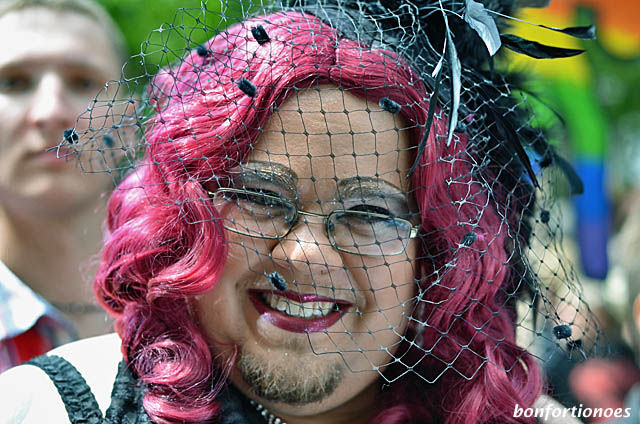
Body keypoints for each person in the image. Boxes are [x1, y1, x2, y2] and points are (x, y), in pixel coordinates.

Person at [0, 1, 595, 423]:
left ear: (434, 257)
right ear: (186, 219)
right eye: (260, 199)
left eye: (367, 212)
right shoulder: (47, 409)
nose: (305, 254)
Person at [0, 0, 125, 371]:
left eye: (83, 82)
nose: (51, 112)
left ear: (129, 122)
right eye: (14, 82)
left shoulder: (200, 305)